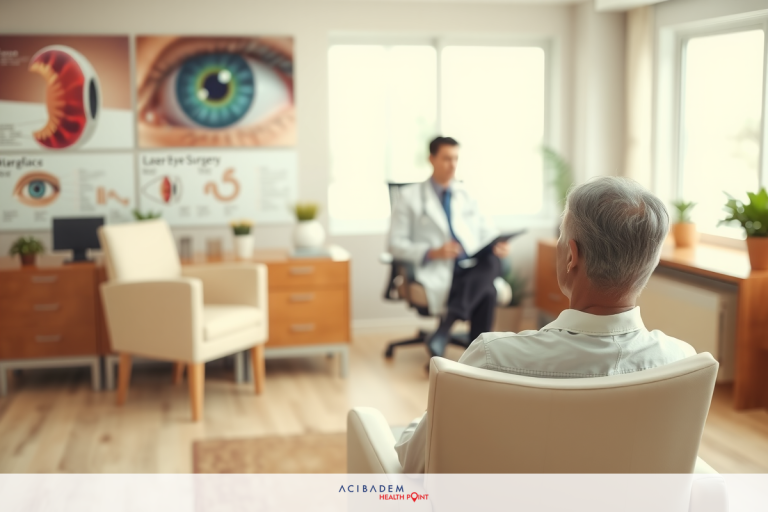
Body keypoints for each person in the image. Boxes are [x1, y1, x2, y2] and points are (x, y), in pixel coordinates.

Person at [394, 176, 697, 473]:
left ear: (571, 257)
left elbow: (414, 461)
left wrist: (434, 410)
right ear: (651, 262)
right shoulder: (681, 362)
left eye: (561, 237)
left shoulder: (491, 358)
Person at [388, 136, 510, 357]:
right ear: (431, 159)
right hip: (438, 270)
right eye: (446, 158)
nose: (452, 165)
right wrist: (432, 252)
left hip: (469, 265)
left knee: (493, 258)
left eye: (456, 159)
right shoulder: (409, 198)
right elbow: (394, 245)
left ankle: (444, 330)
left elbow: (487, 232)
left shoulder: (466, 194)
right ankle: (477, 359)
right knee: (488, 291)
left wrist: (498, 245)